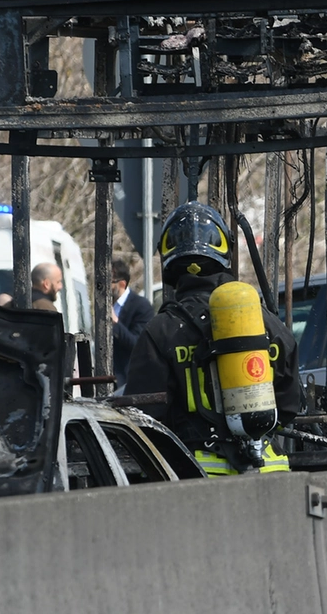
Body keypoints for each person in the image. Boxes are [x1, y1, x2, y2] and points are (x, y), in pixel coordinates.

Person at [124, 203, 301, 476]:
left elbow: (143, 419)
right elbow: (290, 404)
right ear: (223, 253)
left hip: (198, 478)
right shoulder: (265, 322)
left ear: (169, 258)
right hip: (269, 472)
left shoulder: (160, 331)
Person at [109, 258, 154, 393]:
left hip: (129, 380)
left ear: (121, 284)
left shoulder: (141, 306)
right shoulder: (107, 305)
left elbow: (137, 344)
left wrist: (115, 323)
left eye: (108, 282)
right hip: (108, 379)